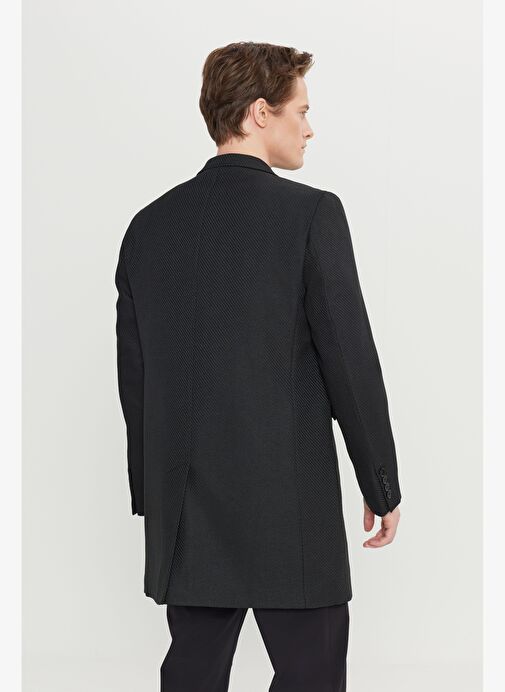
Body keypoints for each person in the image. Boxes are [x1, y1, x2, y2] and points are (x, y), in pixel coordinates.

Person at [114, 40, 402, 692]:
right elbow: (349, 360)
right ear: (257, 113)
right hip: (289, 504)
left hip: (186, 506)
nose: (309, 127)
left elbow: (137, 377)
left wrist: (150, 494)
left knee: (192, 674)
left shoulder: (147, 228)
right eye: (300, 110)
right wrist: (379, 481)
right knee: (311, 674)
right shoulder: (310, 214)